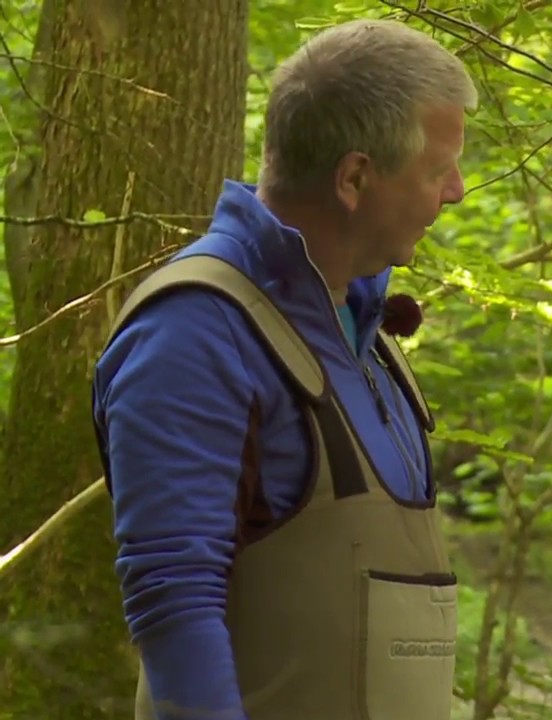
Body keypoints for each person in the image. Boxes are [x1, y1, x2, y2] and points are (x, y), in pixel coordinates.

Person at [91, 19, 476, 720]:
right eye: (437, 169)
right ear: (355, 177)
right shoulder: (195, 331)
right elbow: (174, 602)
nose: (456, 190)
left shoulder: (365, 331)